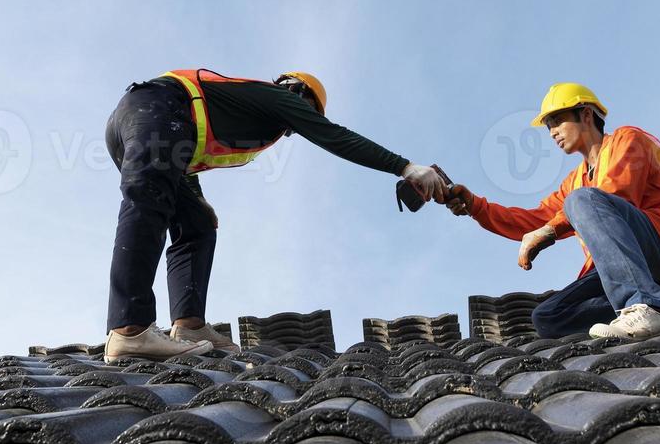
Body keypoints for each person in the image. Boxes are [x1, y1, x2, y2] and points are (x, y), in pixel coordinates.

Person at [104, 69, 446, 360]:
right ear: (299, 92)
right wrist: (404, 167)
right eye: (307, 110)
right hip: (154, 109)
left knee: (198, 225)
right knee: (147, 198)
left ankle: (189, 327)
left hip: (147, 119)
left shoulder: (248, 110)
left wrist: (198, 200)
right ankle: (130, 329)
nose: (300, 123)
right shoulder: (280, 98)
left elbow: (185, 154)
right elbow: (334, 137)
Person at [442, 83, 660, 341]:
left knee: (582, 200)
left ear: (586, 115)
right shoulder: (575, 181)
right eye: (548, 126)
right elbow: (535, 221)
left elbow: (616, 193)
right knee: (548, 317)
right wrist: (475, 206)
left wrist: (549, 230)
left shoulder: (627, 140)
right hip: (620, 267)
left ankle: (649, 305)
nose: (552, 132)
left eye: (557, 121)